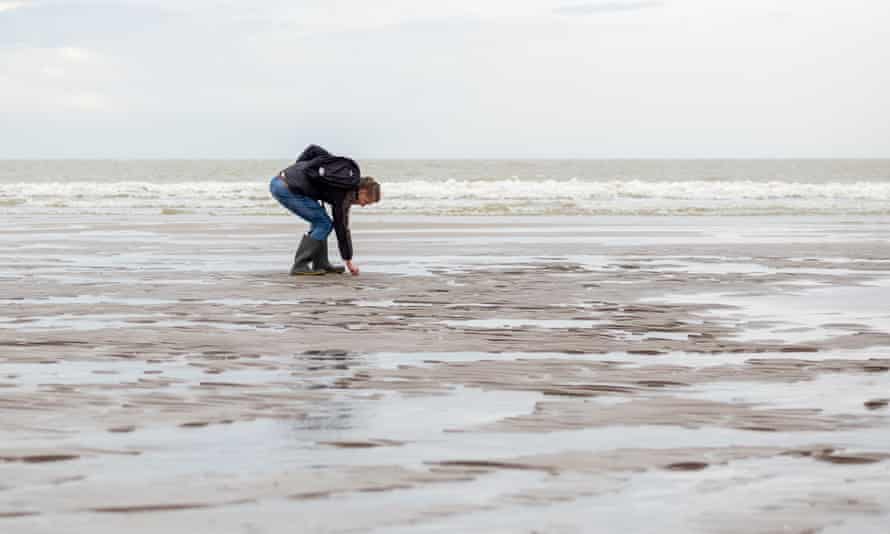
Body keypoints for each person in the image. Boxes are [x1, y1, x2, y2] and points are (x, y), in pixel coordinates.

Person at [269, 145, 381, 276]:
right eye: (366, 202)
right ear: (362, 191)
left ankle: (321, 263)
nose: (363, 205)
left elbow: (313, 149)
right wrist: (348, 260)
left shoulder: (341, 173)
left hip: (284, 182)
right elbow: (342, 229)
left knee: (321, 221)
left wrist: (297, 171)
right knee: (324, 224)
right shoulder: (344, 194)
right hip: (286, 188)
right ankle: (300, 265)